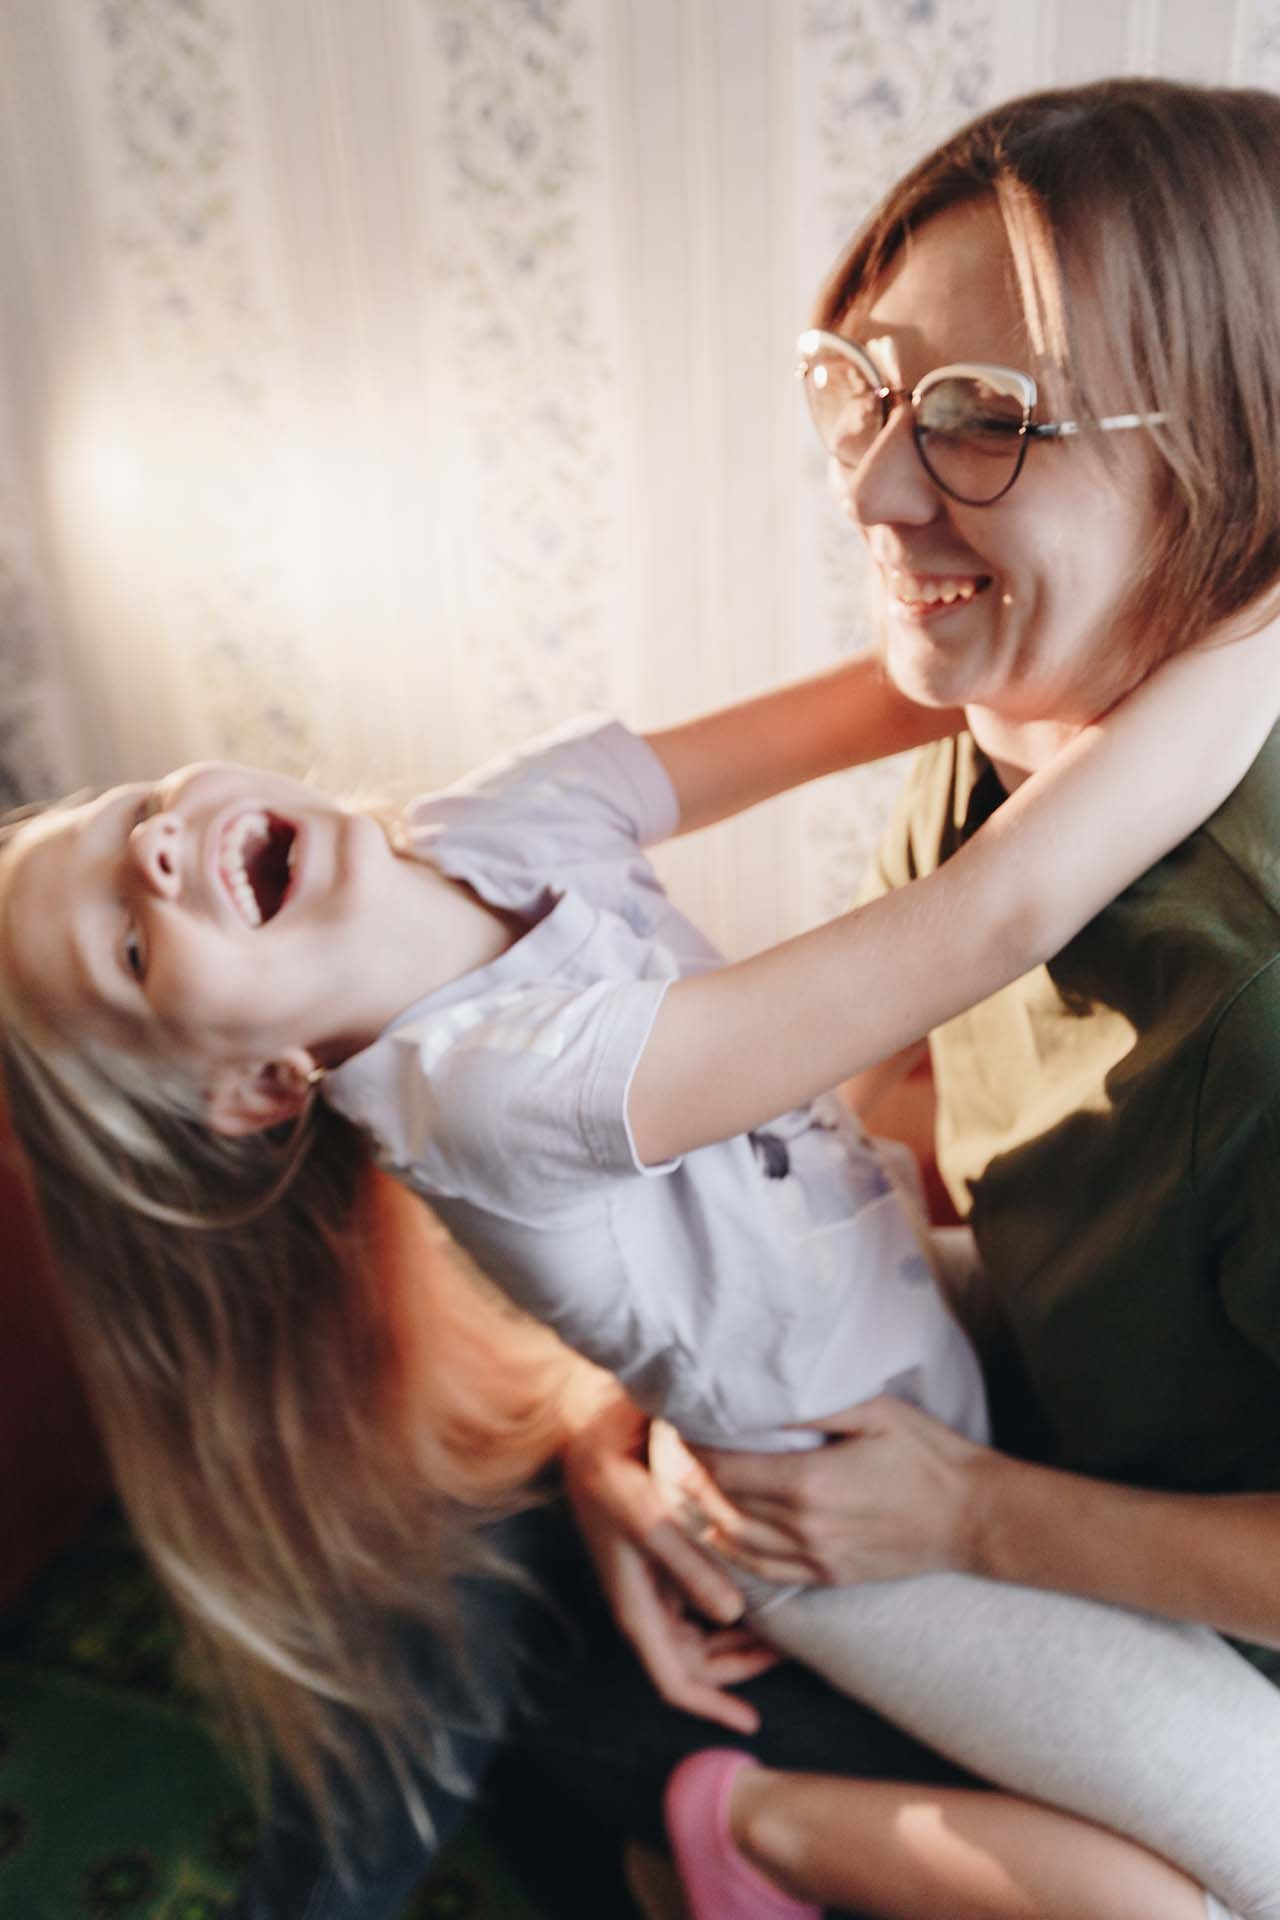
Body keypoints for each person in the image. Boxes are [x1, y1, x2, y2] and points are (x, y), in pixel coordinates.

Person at [1, 613, 1277, 1920]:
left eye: (131, 815)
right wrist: (1255, 619)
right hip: (827, 1514)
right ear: (262, 1088)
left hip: (905, 1305)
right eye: (131, 947)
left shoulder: (497, 821)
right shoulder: (486, 1093)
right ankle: (737, 1834)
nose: (152, 851)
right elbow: (984, 921)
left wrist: (1101, 604)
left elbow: (894, 697)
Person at [518, 73, 1280, 1920]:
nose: (870, 484)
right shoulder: (1008, 737)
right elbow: (880, 1145)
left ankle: (745, 1830)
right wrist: (616, 1416)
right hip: (1074, 1413)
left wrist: (972, 1520)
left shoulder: (1253, 991)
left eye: (987, 419)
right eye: (866, 384)